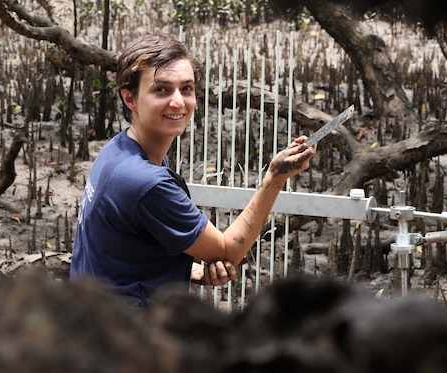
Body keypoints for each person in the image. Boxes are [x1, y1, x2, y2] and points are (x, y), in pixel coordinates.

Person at [70, 35, 316, 307]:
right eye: (161, 90)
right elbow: (227, 251)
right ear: (130, 98)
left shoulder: (117, 149)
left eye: (186, 89)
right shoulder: (146, 182)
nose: (178, 102)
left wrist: (187, 269)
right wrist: (274, 178)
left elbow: (122, 248)